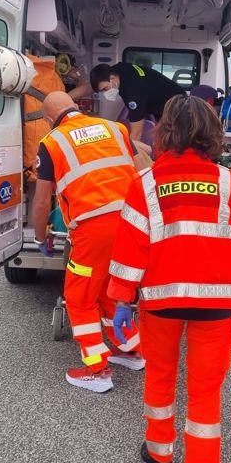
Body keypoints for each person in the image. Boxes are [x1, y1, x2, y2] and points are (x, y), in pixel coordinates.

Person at [108, 95, 231, 463]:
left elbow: (129, 250)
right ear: (212, 134)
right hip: (217, 306)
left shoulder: (146, 183)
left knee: (159, 375)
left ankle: (159, 454)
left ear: (164, 133)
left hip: (161, 302)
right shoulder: (228, 183)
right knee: (205, 391)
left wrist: (121, 302)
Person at [32, 91, 146, 392]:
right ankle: (130, 349)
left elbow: (43, 202)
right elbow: (136, 169)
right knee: (112, 289)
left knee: (80, 297)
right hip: (132, 223)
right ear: (76, 108)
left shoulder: (52, 142)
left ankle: (97, 370)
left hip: (95, 229)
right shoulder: (116, 128)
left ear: (47, 120)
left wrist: (40, 237)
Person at [90, 61, 187, 142]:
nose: (105, 93)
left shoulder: (133, 91)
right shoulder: (117, 70)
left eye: (105, 89)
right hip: (163, 104)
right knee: (160, 138)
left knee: (170, 141)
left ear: (112, 78)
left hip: (177, 105)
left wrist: (129, 159)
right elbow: (87, 87)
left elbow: (137, 133)